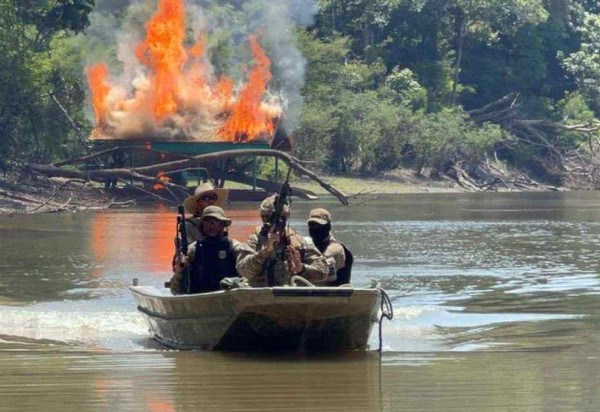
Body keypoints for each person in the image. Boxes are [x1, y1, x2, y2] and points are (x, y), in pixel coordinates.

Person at [236, 195, 329, 287]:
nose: (275, 224)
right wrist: (264, 252)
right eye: (267, 218)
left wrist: (302, 268)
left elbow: (323, 271)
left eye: (281, 219)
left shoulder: (298, 241)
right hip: (260, 295)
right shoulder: (255, 240)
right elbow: (243, 270)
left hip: (289, 295)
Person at [170, 206, 241, 295]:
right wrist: (179, 271)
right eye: (207, 222)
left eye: (216, 222)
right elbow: (175, 290)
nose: (211, 225)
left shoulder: (235, 247)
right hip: (199, 298)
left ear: (223, 225)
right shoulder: (193, 249)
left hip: (229, 296)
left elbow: (248, 278)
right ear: (202, 226)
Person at [307, 208, 353, 286]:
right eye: (311, 225)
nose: (314, 228)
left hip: (333, 295)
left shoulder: (335, 249)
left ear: (327, 226)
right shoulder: (309, 245)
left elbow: (320, 274)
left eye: (318, 225)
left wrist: (301, 268)